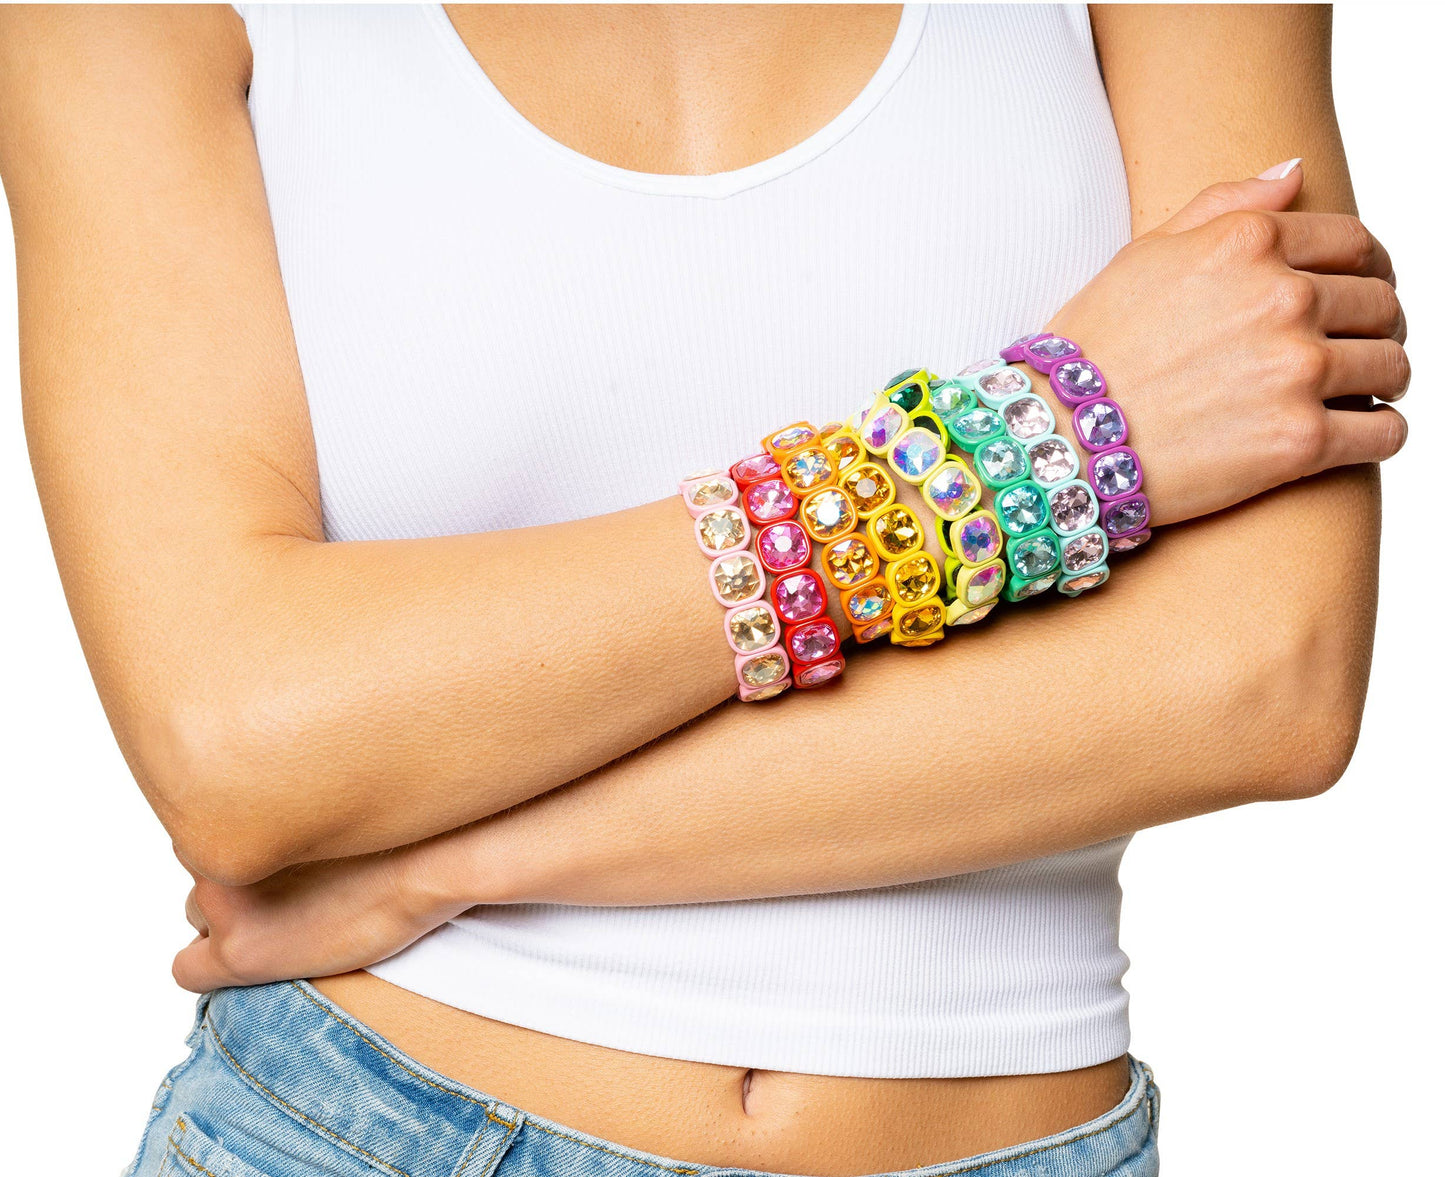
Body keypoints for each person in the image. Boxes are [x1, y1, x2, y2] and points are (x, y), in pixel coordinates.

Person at [0, 5, 1407, 1176]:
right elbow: (242, 742)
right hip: (365, 1125)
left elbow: (1259, 680)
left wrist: (441, 861)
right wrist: (1020, 445)